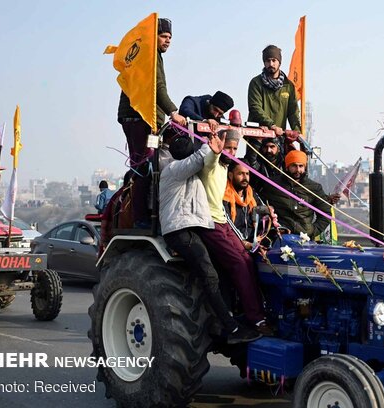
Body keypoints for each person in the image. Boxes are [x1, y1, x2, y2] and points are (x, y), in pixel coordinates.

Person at [159, 132, 261, 344]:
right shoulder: (173, 170)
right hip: (179, 230)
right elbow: (200, 161)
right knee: (209, 275)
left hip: (193, 226)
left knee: (222, 270)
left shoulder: (194, 175)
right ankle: (230, 327)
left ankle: (229, 318)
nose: (231, 153)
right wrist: (211, 149)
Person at [197, 129, 273, 336]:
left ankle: (260, 313)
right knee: (239, 263)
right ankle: (255, 319)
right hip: (210, 223)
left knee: (249, 261)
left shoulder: (226, 169)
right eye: (227, 147)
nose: (230, 152)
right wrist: (215, 152)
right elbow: (212, 161)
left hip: (222, 223)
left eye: (233, 148)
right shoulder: (212, 165)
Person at [117, 17, 187, 229]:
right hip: (139, 119)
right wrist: (173, 112)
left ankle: (141, 211)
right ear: (153, 36)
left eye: (170, 38)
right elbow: (158, 88)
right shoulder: (149, 56)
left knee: (149, 165)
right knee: (144, 168)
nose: (167, 41)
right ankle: (139, 218)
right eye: (164, 36)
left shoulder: (152, 55)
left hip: (148, 121)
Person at [260, 150, 333, 238]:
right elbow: (260, 205)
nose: (298, 170)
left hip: (304, 239)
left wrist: (312, 231)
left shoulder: (314, 187)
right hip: (279, 237)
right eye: (294, 166)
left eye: (301, 166)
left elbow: (325, 214)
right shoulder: (272, 185)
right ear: (287, 167)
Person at [248, 45, 301, 137]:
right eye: (268, 61)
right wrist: (271, 125)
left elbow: (293, 112)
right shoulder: (256, 83)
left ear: (279, 62)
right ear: (264, 63)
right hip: (258, 135)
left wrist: (297, 132)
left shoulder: (288, 86)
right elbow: (255, 108)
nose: (271, 64)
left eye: (274, 60)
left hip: (278, 136)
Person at [223, 159, 260, 250]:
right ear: (230, 175)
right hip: (234, 243)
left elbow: (262, 209)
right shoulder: (225, 195)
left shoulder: (251, 193)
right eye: (240, 174)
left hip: (253, 241)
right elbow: (227, 223)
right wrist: (242, 241)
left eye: (247, 174)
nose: (245, 178)